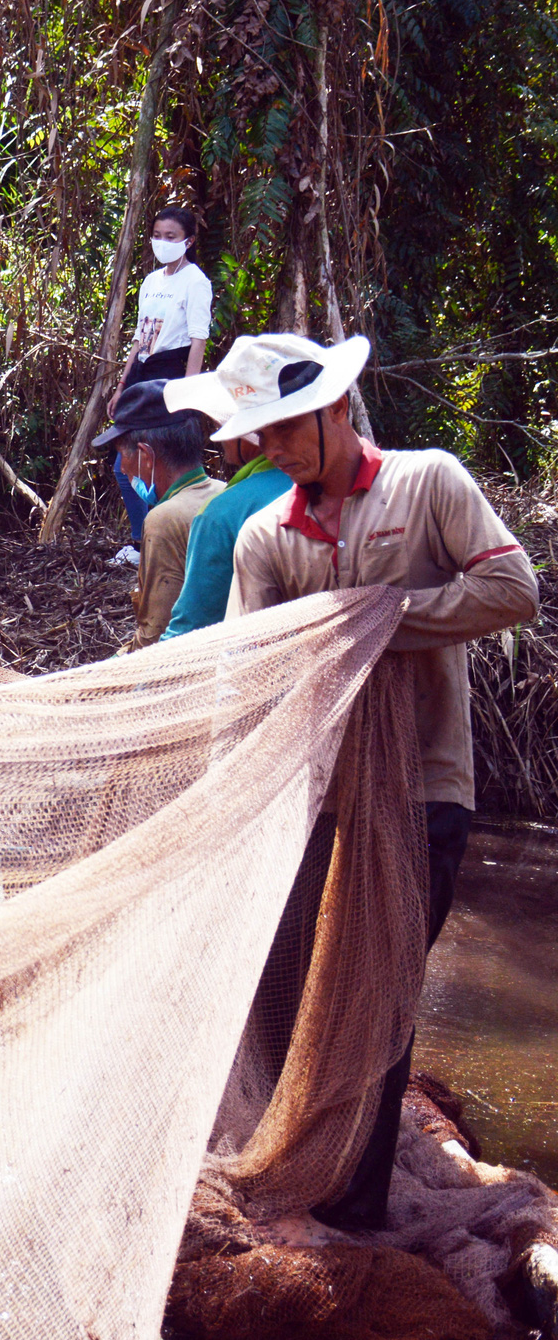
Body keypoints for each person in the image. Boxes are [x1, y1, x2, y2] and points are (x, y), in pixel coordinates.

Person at [180, 332, 538, 1231]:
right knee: (293, 988)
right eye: (260, 435)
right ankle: (292, 1179)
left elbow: (514, 590)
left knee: (375, 998)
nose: (273, 450)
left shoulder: (429, 485)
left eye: (288, 429)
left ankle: (355, 1216)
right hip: (318, 798)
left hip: (424, 792)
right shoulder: (265, 536)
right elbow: (249, 676)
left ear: (337, 407)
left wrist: (381, 615)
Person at [90, 379, 222, 649]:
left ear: (145, 456)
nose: (123, 469)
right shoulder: (227, 493)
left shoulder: (164, 519)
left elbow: (156, 634)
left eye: (121, 457)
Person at [112, 207, 212, 543]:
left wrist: (189, 392)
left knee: (157, 464)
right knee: (127, 466)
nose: (162, 242)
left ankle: (157, 539)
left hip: (170, 374)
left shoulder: (196, 281)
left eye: (171, 237)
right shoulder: (151, 281)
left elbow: (198, 339)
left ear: (189, 240)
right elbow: (139, 336)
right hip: (142, 373)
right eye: (157, 235)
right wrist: (122, 384)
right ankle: (144, 538)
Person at [162, 419, 292, 638]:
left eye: (223, 426)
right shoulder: (318, 484)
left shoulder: (220, 513)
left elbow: (193, 625)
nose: (220, 436)